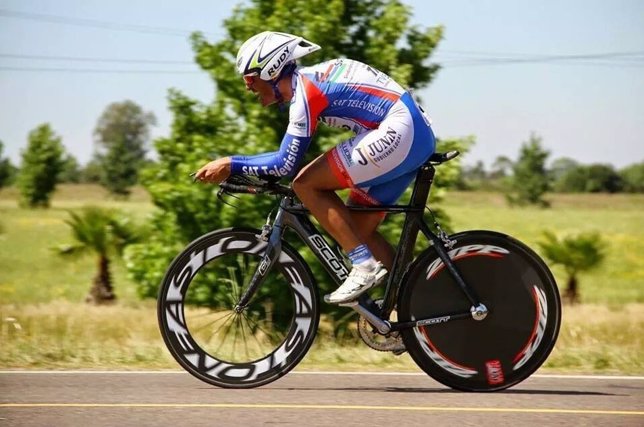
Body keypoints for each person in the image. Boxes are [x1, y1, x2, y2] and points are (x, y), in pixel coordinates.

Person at [195, 31, 436, 304]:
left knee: (305, 184)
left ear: (271, 70)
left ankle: (364, 267)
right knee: (355, 229)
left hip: (402, 131)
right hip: (412, 132)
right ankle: (417, 308)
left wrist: (231, 164)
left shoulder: (306, 94)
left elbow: (285, 164)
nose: (247, 87)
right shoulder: (309, 82)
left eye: (250, 78)